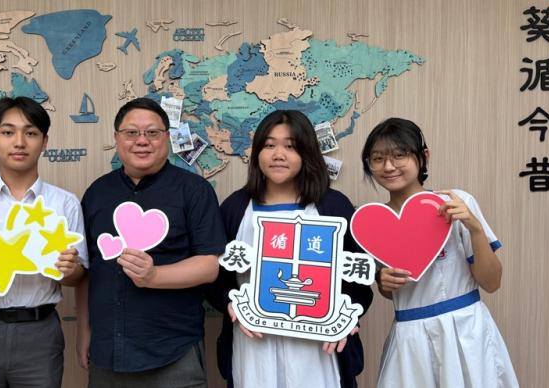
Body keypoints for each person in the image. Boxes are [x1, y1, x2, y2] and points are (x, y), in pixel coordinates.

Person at [207, 110, 374, 388]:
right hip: (252, 346)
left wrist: (347, 318)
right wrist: (230, 303)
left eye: (290, 146)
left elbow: (358, 280)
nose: (278, 155)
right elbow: (215, 277)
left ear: (307, 153)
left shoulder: (333, 207)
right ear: (257, 153)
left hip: (318, 349)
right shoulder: (235, 208)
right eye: (269, 145)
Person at [77, 97, 226, 388]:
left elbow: (209, 266)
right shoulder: (97, 193)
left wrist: (154, 275)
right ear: (117, 138)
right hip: (108, 352)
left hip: (173, 351)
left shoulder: (194, 190)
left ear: (167, 137)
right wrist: (84, 329)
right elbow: (88, 269)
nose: (142, 141)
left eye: (152, 133)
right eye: (131, 133)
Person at [361, 117, 518, 387]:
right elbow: (390, 291)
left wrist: (475, 229)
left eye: (399, 155)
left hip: (466, 331)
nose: (388, 166)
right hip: (409, 337)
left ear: (424, 156)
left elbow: (492, 282)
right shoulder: (371, 222)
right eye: (378, 158)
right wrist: (382, 282)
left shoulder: (455, 203)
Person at [0, 96, 87, 388]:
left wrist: (69, 269)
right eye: (8, 132)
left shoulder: (65, 204)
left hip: (40, 333)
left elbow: (78, 277)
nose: (19, 142)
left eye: (31, 133)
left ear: (44, 141)